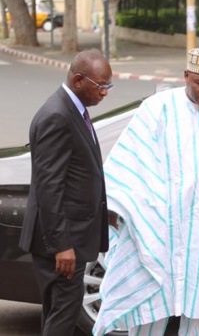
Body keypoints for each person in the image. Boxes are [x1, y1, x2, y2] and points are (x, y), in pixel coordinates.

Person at [93, 45, 199, 336]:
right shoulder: (158, 109)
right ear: (186, 76)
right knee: (150, 302)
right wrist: (118, 209)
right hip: (160, 228)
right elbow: (129, 161)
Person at [19, 49, 113, 336]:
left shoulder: (73, 109)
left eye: (109, 86)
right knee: (64, 314)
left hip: (69, 236)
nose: (105, 93)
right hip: (61, 242)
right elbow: (49, 187)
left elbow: (76, 177)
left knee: (57, 311)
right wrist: (62, 246)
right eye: (101, 86)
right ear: (78, 81)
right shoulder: (57, 116)